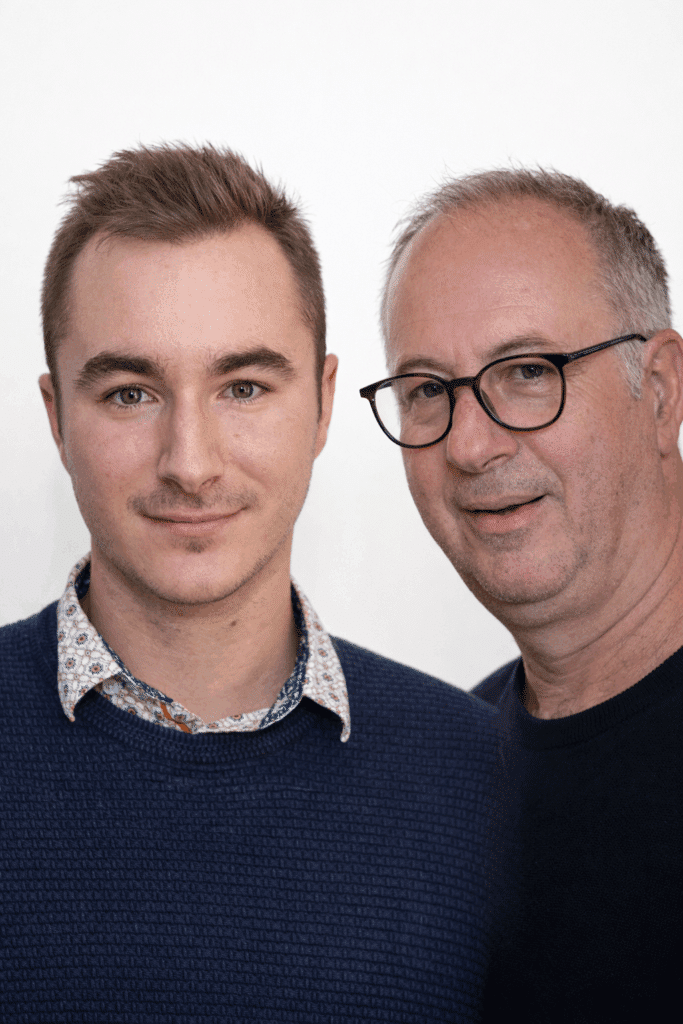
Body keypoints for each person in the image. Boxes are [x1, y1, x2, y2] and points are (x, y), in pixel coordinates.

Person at [0, 143, 500, 1023]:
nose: (189, 464)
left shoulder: (485, 776)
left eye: (242, 386)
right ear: (56, 418)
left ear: (320, 402)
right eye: (128, 393)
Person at [363, 167, 683, 1021]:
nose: (469, 444)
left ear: (658, 391)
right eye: (427, 391)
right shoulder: (447, 778)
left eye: (527, 371)